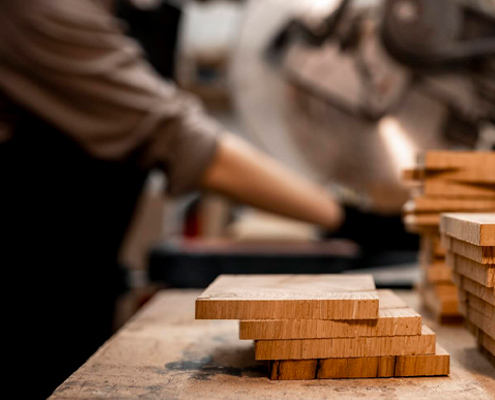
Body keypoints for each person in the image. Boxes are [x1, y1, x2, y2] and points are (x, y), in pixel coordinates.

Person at [0, 1, 342, 397]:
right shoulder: (43, 8)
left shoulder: (128, 12)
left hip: (81, 274)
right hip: (26, 287)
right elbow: (182, 142)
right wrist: (343, 215)